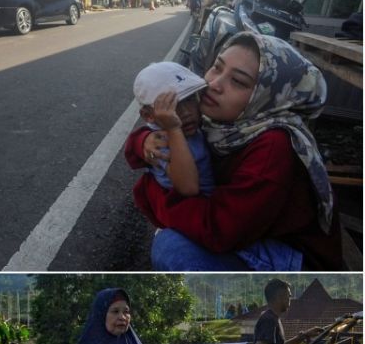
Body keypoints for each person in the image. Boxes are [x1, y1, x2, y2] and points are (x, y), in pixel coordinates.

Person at [125, 31, 343, 271]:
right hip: (245, 229)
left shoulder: (273, 147)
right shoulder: (224, 123)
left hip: (293, 256)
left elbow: (218, 231)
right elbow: (156, 136)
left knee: (171, 247)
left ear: (265, 97)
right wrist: (144, 140)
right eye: (217, 68)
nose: (214, 84)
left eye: (238, 81)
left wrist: (153, 193)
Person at [131, 61, 214, 197]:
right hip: (195, 207)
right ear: (148, 115)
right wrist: (173, 129)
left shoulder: (193, 123)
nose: (187, 112)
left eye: (190, 99)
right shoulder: (161, 143)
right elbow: (188, 188)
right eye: (172, 106)